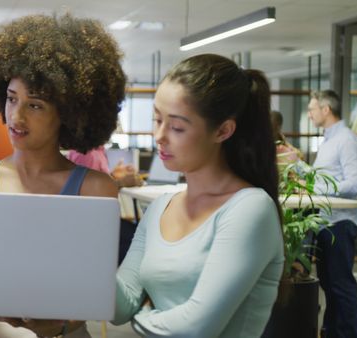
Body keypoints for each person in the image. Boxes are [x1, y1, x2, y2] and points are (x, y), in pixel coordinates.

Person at [0, 13, 126, 338]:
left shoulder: (96, 189)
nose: (15, 116)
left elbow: (93, 292)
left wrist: (59, 324)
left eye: (35, 105)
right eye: (12, 98)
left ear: (69, 113)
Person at [113, 54, 284, 337]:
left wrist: (141, 316)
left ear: (223, 130)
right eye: (157, 119)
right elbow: (123, 304)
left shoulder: (250, 209)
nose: (159, 135)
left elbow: (196, 328)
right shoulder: (160, 208)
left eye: (177, 127)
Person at [307, 90, 357, 338]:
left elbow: (354, 184)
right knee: (329, 286)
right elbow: (326, 178)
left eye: (312, 109)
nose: (309, 114)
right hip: (326, 222)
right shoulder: (328, 140)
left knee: (341, 287)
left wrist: (315, 188)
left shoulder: (347, 140)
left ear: (326, 109)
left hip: (340, 223)